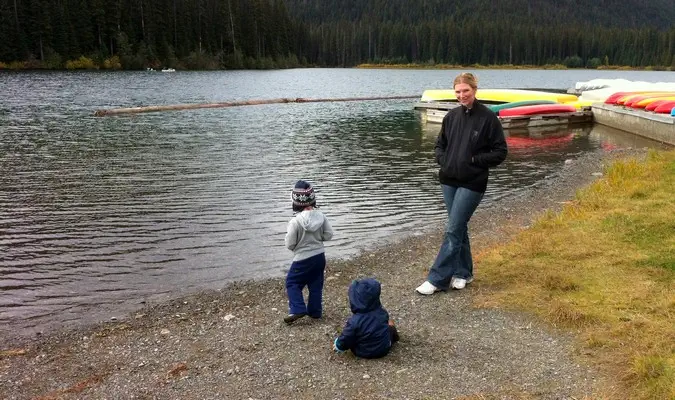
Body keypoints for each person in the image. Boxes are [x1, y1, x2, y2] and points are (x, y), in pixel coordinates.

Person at [416, 72, 507, 295]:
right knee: (458, 227)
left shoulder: (488, 118)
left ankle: (437, 279)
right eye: (457, 91)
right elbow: (440, 145)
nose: (461, 95)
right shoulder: (451, 117)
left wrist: (475, 160)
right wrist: (443, 160)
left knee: (453, 228)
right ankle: (463, 272)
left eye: (465, 90)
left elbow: (500, 152)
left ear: (475, 90)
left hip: (473, 182)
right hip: (449, 180)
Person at [284, 180, 334, 324]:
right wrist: (319, 239)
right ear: (313, 199)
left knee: (292, 282)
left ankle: (298, 308)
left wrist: (295, 248)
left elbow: (290, 243)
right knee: (315, 283)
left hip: (302, 258)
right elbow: (328, 235)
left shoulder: (295, 222)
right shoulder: (321, 216)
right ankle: (315, 311)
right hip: (319, 256)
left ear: (295, 202)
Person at [332, 278, 400, 359]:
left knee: (353, 333)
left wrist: (338, 345)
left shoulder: (354, 321)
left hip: (362, 351)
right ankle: (394, 338)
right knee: (389, 323)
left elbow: (346, 339)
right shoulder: (382, 312)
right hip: (384, 348)